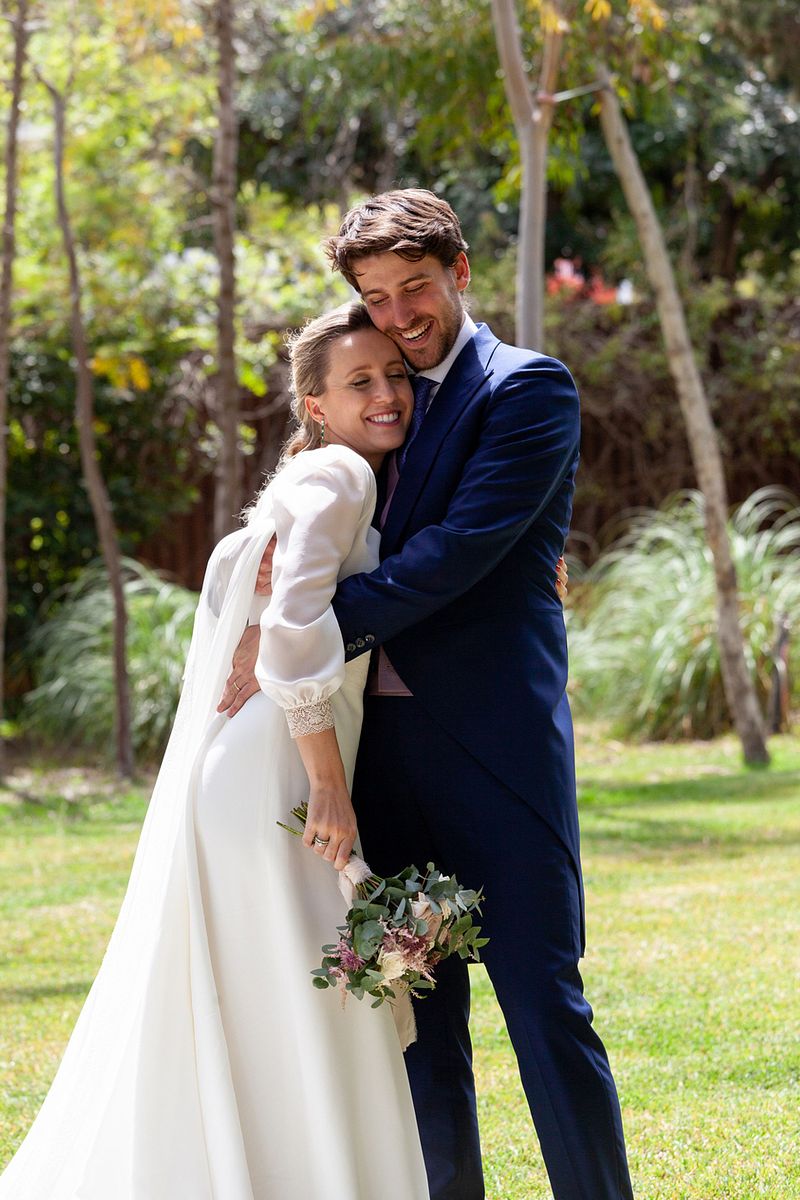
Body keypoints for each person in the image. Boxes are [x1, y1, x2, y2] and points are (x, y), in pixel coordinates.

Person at [223, 190, 634, 1200]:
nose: (400, 314)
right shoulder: (376, 402)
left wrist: (307, 631)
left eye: (415, 286)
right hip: (382, 760)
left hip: (497, 752)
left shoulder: (526, 389)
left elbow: (454, 554)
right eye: (377, 295)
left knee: (544, 1007)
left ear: (459, 271)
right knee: (418, 1017)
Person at [0, 303, 430, 1200]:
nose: (386, 393)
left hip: (250, 766)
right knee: (308, 998)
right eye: (359, 381)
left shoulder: (312, 476)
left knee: (272, 996)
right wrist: (328, 785)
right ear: (315, 404)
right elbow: (292, 629)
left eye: (394, 374)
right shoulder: (343, 471)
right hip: (281, 767)